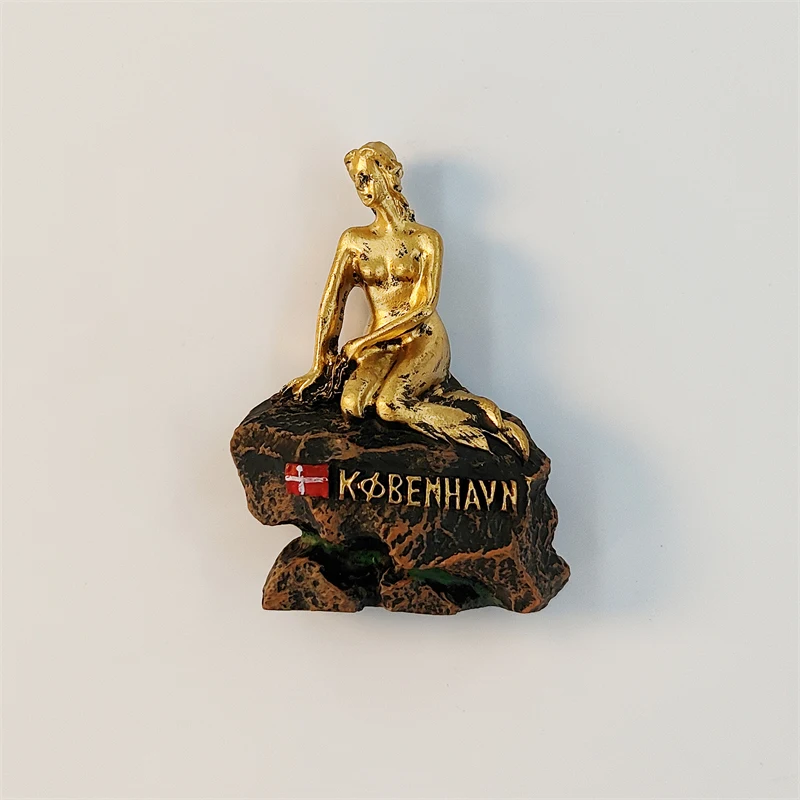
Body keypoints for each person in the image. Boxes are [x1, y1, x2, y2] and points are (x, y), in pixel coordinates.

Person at [285, 141, 528, 458]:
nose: (361, 188)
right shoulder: (354, 240)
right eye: (356, 181)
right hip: (380, 346)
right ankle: (446, 401)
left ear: (388, 174)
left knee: (390, 405)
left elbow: (423, 308)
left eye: (366, 177)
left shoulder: (425, 239)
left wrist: (363, 342)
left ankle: (486, 428)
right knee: (352, 405)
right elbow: (332, 303)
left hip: (422, 338)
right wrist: (319, 364)